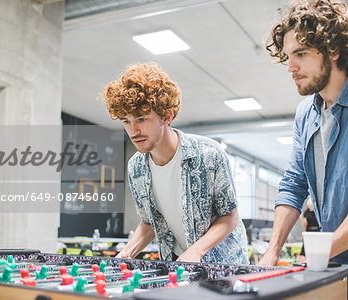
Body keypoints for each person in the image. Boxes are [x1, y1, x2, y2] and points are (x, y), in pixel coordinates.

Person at [258, 0, 348, 297]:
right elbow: (294, 183)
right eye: (288, 56)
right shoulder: (306, 113)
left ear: (333, 50)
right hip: (333, 270)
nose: (290, 67)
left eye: (300, 53)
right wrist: (271, 252)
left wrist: (317, 255)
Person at [101, 63, 248, 264]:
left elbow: (229, 217)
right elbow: (150, 223)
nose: (133, 131)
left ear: (167, 116)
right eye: (126, 121)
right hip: (178, 265)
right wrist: (124, 256)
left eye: (141, 119)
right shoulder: (136, 167)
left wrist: (196, 252)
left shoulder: (209, 153)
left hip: (224, 266)